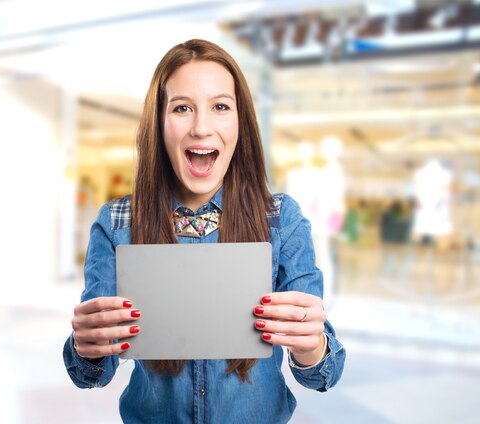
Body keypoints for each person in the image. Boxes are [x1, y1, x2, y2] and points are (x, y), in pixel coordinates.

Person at [63, 39, 345, 423]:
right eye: (182, 108)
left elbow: (321, 375)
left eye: (220, 107)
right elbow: (91, 374)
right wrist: (88, 346)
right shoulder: (117, 223)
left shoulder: (282, 220)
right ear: (159, 123)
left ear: (240, 121)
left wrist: (312, 344)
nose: (201, 127)